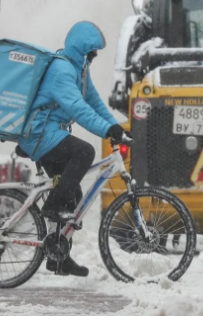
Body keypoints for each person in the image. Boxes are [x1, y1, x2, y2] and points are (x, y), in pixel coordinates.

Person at [17, 21, 126, 277]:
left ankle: (59, 258)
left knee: (73, 193)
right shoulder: (62, 71)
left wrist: (117, 128)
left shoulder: (80, 70)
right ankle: (52, 205)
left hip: (51, 133)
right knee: (85, 152)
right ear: (81, 49)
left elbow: (95, 103)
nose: (95, 56)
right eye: (92, 51)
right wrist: (107, 131)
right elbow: (78, 108)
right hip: (41, 134)